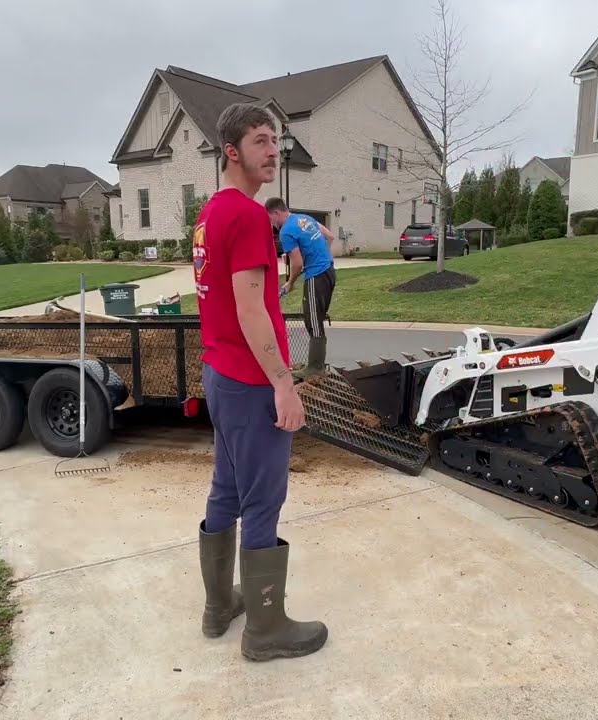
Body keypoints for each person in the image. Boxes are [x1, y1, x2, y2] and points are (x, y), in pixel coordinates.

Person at [190, 102, 328, 662]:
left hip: (220, 373)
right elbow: (251, 312)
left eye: (276, 141)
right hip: (249, 381)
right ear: (232, 151)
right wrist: (284, 384)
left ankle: (219, 607)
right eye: (261, 141)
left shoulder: (208, 215)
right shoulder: (246, 217)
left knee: (227, 487)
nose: (274, 150)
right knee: (263, 499)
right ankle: (266, 633)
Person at [264, 197, 336, 378]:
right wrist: (320, 255)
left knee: (312, 320)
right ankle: (316, 363)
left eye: (270, 219)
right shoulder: (303, 218)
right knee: (316, 318)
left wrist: (290, 283)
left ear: (276, 213)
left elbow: (297, 264)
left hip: (315, 276)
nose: (271, 224)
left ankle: (315, 368)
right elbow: (329, 236)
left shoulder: (286, 231)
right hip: (329, 271)